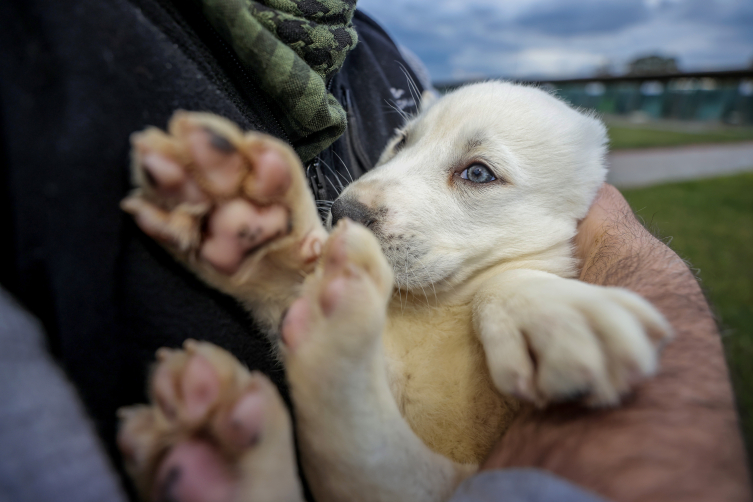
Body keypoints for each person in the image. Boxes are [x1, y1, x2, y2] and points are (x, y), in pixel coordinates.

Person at [0, 0, 749, 500]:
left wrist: (524, 290)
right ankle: (289, 304)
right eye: (402, 143)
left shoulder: (375, 52)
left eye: (477, 173)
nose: (366, 193)